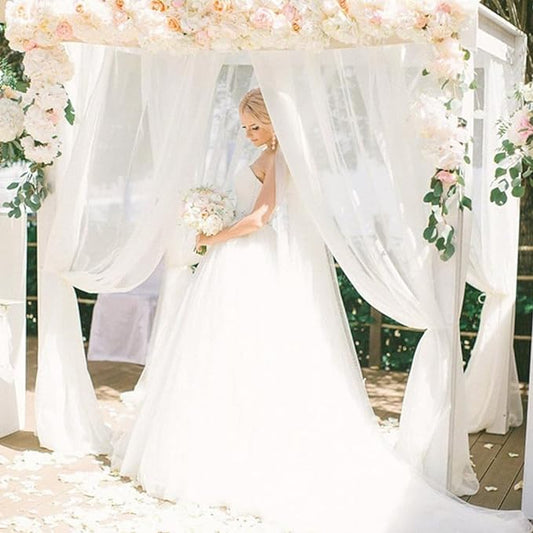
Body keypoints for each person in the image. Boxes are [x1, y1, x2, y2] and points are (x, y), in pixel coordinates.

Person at [112, 89, 531, 533]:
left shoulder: (281, 157)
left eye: (257, 125)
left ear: (275, 122)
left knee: (241, 351)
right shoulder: (273, 154)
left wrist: (208, 238)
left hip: (249, 258)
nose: (250, 134)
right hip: (238, 263)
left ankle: (242, 451)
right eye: (245, 127)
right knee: (222, 356)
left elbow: (261, 217)